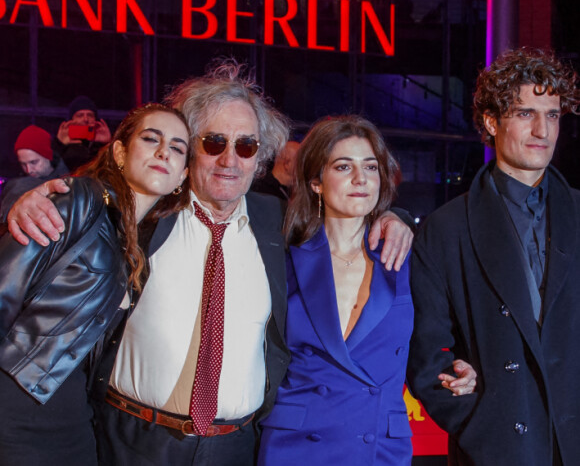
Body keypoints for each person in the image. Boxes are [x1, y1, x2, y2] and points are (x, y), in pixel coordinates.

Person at [7, 60, 413, 466]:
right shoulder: (148, 213)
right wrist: (35, 198)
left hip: (235, 448)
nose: (230, 159)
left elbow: (342, 209)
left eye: (246, 146)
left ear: (260, 158)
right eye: (214, 142)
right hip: (132, 440)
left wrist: (389, 219)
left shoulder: (276, 221)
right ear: (188, 148)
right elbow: (97, 196)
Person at [258, 116, 475, 466]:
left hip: (377, 447)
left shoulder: (408, 258)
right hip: (295, 444)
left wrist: (461, 367)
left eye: (370, 167)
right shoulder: (281, 257)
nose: (361, 179)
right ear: (316, 181)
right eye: (344, 166)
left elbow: (435, 340)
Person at [406, 47, 580, 466]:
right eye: (525, 113)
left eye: (552, 115)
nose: (542, 129)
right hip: (499, 448)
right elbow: (426, 357)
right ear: (490, 122)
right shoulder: (446, 228)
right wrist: (479, 427)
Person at [0, 103, 190, 466]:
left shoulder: (139, 241)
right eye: (151, 139)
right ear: (120, 152)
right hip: (16, 403)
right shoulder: (79, 198)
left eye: (178, 148)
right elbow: (4, 289)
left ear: (182, 175)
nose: (164, 151)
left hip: (71, 412)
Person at [0, 125, 69, 221]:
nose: (29, 170)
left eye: (34, 162)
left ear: (48, 156)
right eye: (23, 164)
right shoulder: (15, 183)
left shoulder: (69, 178)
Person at [54, 95, 112, 172]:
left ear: (95, 119)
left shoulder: (100, 144)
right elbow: (50, 169)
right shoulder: (63, 143)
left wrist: (107, 144)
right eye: (80, 115)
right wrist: (59, 144)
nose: (85, 119)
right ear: (71, 119)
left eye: (90, 115)